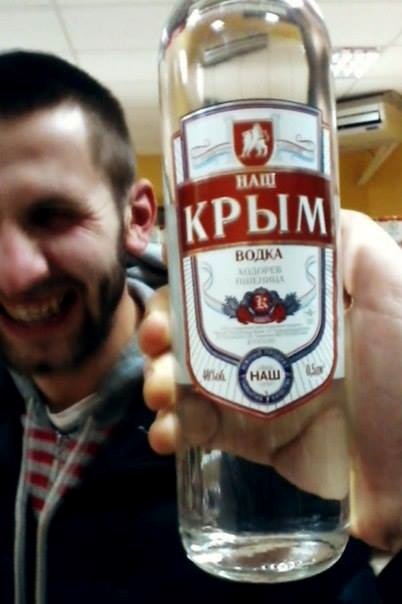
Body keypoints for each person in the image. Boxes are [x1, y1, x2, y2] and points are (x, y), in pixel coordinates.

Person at [0, 48, 399, 604]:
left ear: (139, 217)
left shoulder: (272, 431)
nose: (14, 274)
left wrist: (397, 500)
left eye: (53, 217)